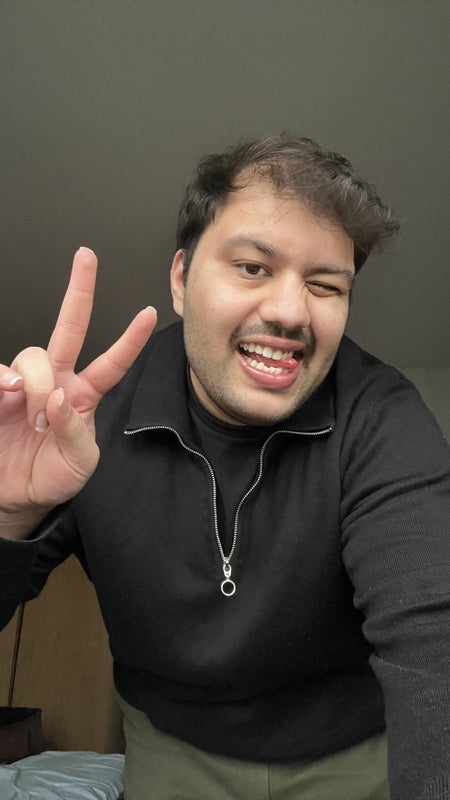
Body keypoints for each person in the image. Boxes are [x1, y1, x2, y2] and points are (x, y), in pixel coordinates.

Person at [0, 134, 448, 800]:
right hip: (172, 745)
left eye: (325, 285)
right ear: (181, 279)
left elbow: (433, 636)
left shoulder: (382, 416)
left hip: (353, 750)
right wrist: (9, 512)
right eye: (253, 267)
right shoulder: (85, 422)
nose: (291, 312)